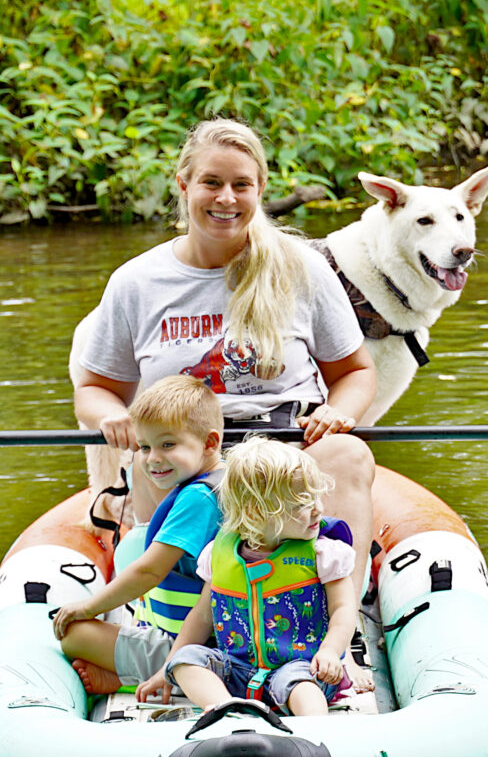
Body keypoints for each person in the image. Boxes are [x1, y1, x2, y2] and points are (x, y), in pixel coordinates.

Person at [71, 117, 378, 548]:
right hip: (184, 454)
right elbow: (94, 389)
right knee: (153, 467)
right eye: (211, 182)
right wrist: (109, 416)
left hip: (289, 445)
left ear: (260, 190)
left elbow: (354, 372)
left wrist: (338, 412)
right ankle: (169, 606)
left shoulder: (302, 268)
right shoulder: (135, 281)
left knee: (349, 454)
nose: (226, 198)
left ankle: (343, 611)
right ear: (184, 185)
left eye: (241, 185)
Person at [141, 440, 359, 718]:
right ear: (256, 513)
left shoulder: (323, 552)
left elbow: (343, 609)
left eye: (315, 496)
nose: (317, 508)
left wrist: (329, 652)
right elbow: (202, 617)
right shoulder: (219, 554)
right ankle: (223, 710)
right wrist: (166, 668)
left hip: (302, 666)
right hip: (237, 669)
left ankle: (314, 730)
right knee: (186, 660)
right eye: (303, 502)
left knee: (300, 685)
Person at [51, 375, 225, 690]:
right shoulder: (224, 480)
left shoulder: (198, 499)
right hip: (218, 636)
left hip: (199, 646)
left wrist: (89, 607)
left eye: (167, 444)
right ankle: (132, 673)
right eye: (144, 447)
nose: (153, 458)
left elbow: (150, 570)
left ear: (210, 443)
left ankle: (134, 678)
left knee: (75, 636)